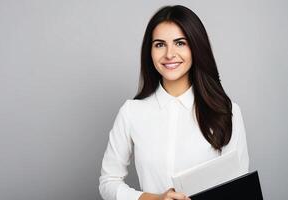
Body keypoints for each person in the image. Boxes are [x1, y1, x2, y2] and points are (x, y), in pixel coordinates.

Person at [99, 5, 249, 200]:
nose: (169, 54)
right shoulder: (132, 112)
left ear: (195, 47)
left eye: (180, 43)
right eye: (160, 44)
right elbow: (108, 181)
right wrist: (155, 199)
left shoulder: (227, 112)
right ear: (149, 51)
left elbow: (239, 187)